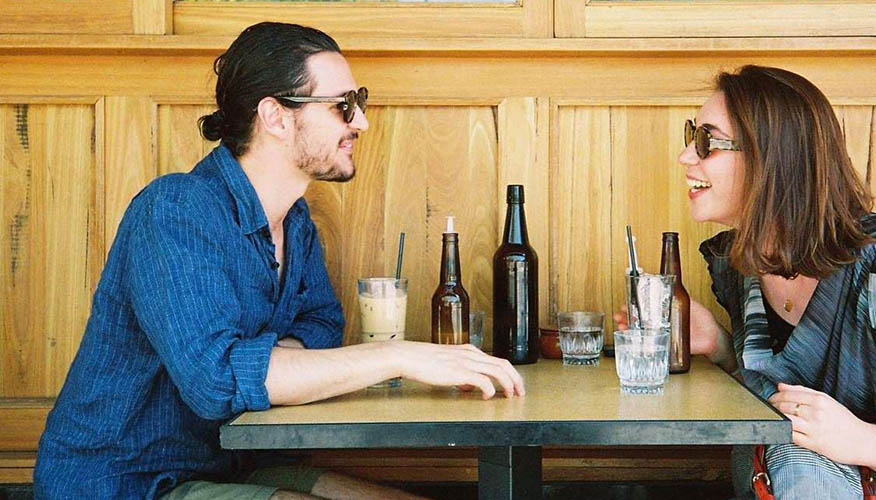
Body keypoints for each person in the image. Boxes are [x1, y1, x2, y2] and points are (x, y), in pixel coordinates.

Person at [34, 22, 525, 500]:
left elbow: (323, 324)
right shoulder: (175, 211)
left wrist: (272, 363)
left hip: (237, 465)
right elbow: (217, 382)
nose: (361, 121)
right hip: (127, 481)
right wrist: (399, 355)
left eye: (360, 101)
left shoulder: (294, 221)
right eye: (342, 106)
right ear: (275, 116)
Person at [616, 65, 876, 499]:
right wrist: (719, 345)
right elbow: (788, 395)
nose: (687, 156)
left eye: (706, 141)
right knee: (793, 451)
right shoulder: (739, 262)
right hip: (801, 480)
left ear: (773, 158)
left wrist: (863, 441)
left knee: (797, 453)